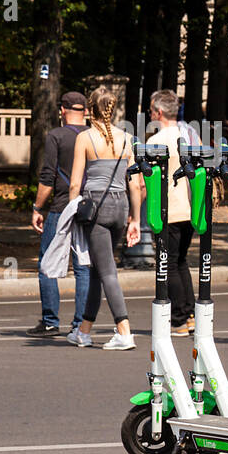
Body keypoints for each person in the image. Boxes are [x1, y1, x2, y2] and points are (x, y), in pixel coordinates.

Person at [67, 86, 142, 350]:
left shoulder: (85, 138)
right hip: (120, 205)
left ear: (89, 110)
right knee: (100, 268)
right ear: (114, 108)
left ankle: (124, 331)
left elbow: (76, 183)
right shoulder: (126, 137)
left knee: (107, 271)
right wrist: (135, 219)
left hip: (96, 205)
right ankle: (83, 331)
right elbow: (135, 184)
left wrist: (71, 212)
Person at [28, 92, 91, 338]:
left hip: (62, 206)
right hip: (88, 207)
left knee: (47, 262)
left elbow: (47, 176)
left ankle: (50, 320)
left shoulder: (56, 135)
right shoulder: (93, 135)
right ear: (85, 111)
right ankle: (80, 325)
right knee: (83, 266)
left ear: (62, 110)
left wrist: (37, 208)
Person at [146, 89, 199, 336]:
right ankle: (190, 315)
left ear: (158, 112)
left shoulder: (155, 141)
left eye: (150, 109)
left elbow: (148, 182)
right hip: (191, 206)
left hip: (170, 208)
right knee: (181, 262)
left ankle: (178, 317)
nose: (149, 113)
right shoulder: (190, 134)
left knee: (168, 264)